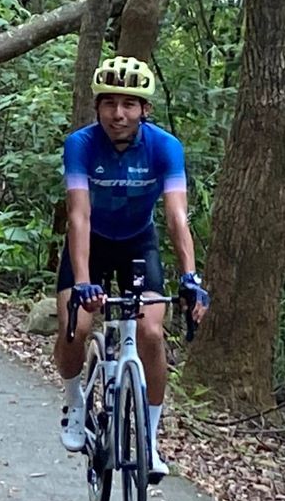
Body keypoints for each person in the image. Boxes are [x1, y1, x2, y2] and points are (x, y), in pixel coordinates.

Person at [55, 56, 210, 478]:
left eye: (129, 104)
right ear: (98, 107)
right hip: (91, 242)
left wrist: (190, 277)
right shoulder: (81, 145)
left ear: (145, 110)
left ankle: (150, 440)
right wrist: (84, 281)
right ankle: (73, 404)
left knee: (151, 332)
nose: (118, 114)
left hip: (139, 244)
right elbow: (78, 216)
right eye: (109, 104)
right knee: (77, 325)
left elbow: (177, 217)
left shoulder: (164, 147)